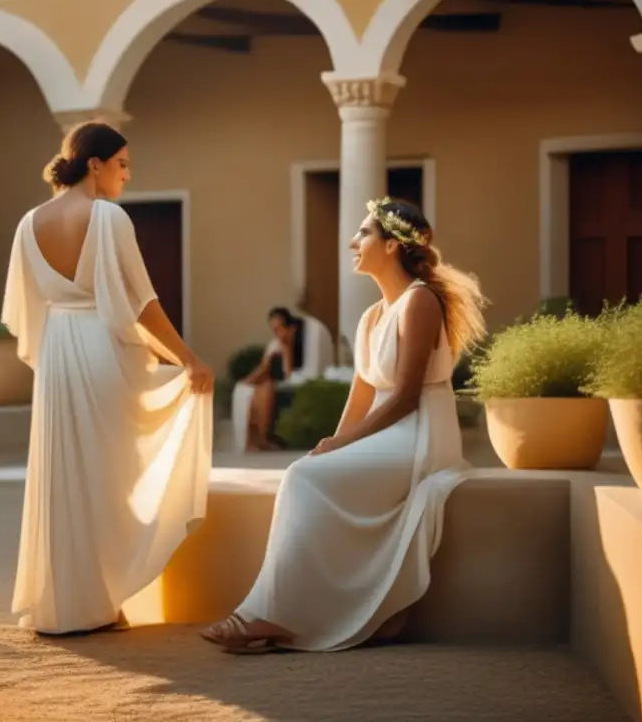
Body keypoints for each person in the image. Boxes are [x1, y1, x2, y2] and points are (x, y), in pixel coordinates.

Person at [201, 196, 487, 654]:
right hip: (389, 431)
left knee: (301, 479)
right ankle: (270, 611)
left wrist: (345, 444)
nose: (354, 242)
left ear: (392, 245)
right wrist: (331, 442)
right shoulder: (372, 315)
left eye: (364, 233)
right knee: (304, 472)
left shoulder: (420, 303)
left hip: (420, 434)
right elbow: (362, 395)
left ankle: (268, 615)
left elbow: (406, 397)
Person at [1, 122, 215, 635]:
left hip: (56, 355)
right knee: (110, 477)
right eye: (121, 164)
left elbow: (24, 311)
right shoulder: (109, 218)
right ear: (93, 164)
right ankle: (100, 600)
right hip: (99, 349)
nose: (127, 174)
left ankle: (66, 602)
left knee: (66, 472)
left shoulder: (28, 223)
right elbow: (142, 303)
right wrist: (188, 359)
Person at [239, 307, 305, 450]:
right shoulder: (274, 344)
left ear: (291, 328)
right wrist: (247, 381)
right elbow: (263, 368)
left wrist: (286, 350)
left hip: (289, 383)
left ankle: (262, 438)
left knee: (266, 389)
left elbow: (288, 374)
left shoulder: (299, 345)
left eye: (280, 329)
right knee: (257, 392)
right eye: (274, 330)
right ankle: (253, 440)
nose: (278, 334)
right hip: (270, 383)